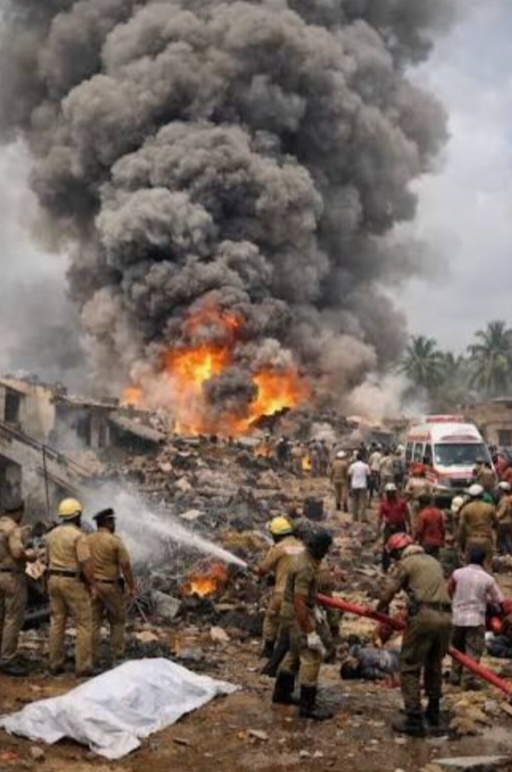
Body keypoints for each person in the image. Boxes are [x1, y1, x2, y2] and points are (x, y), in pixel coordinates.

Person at [377, 533, 452, 737]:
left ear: (398, 551)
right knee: (434, 664)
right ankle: (433, 713)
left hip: (424, 617)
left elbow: (388, 591)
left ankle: (413, 718)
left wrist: (378, 610)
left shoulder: (406, 563)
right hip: (446, 618)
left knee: (409, 666)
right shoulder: (433, 561)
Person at [273, 529, 333, 720]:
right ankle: (308, 707)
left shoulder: (303, 558)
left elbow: (304, 598)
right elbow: (299, 601)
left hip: (292, 611)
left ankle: (281, 694)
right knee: (311, 655)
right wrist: (310, 632)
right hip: (296, 613)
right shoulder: (306, 567)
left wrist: (314, 609)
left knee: (294, 652)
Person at [45, 498, 98, 677]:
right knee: (84, 623)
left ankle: (55, 664)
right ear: (77, 516)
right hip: (71, 581)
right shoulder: (78, 536)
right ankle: (83, 667)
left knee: (57, 622)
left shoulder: (51, 535)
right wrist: (92, 585)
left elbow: (46, 560)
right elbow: (86, 563)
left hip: (53, 579)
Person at [448, 545, 503, 688]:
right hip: (476, 618)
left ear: (468, 558)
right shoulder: (487, 579)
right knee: (473, 651)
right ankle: (468, 679)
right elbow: (499, 599)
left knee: (457, 649)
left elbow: (448, 590)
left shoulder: (457, 573)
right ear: (484, 561)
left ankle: (455, 676)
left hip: (457, 617)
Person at [88, 508, 135, 668]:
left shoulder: (88, 539)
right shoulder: (115, 541)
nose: (114, 524)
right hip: (110, 587)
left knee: (94, 622)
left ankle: (92, 659)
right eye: (112, 521)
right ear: (108, 522)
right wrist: (132, 587)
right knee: (117, 621)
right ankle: (118, 656)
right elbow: (125, 566)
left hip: (93, 586)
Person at [256, 517, 304, 662]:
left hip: (282, 591)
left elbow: (263, 568)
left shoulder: (279, 548)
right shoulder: (302, 546)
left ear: (276, 534)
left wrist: (261, 572)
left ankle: (269, 650)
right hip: (301, 592)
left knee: (271, 619)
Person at [0, 500, 36, 676]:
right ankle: (7, 659)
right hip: (12, 577)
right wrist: (30, 555)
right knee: (13, 618)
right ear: (19, 511)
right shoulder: (13, 529)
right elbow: (17, 553)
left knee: (1, 617)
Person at [457, 484, 497, 569]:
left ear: (470, 496)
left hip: (472, 539)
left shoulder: (466, 508)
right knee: (487, 566)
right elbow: (496, 523)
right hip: (486, 539)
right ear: (482, 495)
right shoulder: (489, 507)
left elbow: (461, 527)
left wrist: (459, 544)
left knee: (468, 567)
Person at [377, 483, 410, 573]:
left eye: (392, 492)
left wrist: (410, 526)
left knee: (403, 545)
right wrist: (378, 530)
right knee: (387, 546)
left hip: (400, 526)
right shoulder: (384, 504)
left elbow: (407, 514)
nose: (390, 494)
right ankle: (385, 566)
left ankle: (402, 566)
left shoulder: (402, 503)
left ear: (395, 493)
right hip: (389, 526)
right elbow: (380, 517)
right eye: (389, 492)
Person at [414, 493, 446, 560]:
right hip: (437, 542)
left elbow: (419, 530)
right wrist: (442, 540)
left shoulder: (422, 514)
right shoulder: (438, 512)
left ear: (421, 504)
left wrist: (415, 540)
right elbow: (442, 528)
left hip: (426, 542)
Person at [348, 452, 370, 522]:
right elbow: (368, 475)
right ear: (362, 458)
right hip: (363, 485)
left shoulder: (352, 466)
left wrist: (349, 485)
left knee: (355, 501)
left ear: (356, 458)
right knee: (363, 502)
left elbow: (349, 475)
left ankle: (355, 517)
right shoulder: (365, 466)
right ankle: (363, 518)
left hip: (354, 485)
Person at [496, 482, 512, 555]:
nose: (498, 491)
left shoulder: (504, 500)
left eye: (499, 490)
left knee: (503, 541)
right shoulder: (507, 499)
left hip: (503, 523)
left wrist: (494, 517)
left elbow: (502, 512)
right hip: (507, 522)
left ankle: (506, 554)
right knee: (507, 540)